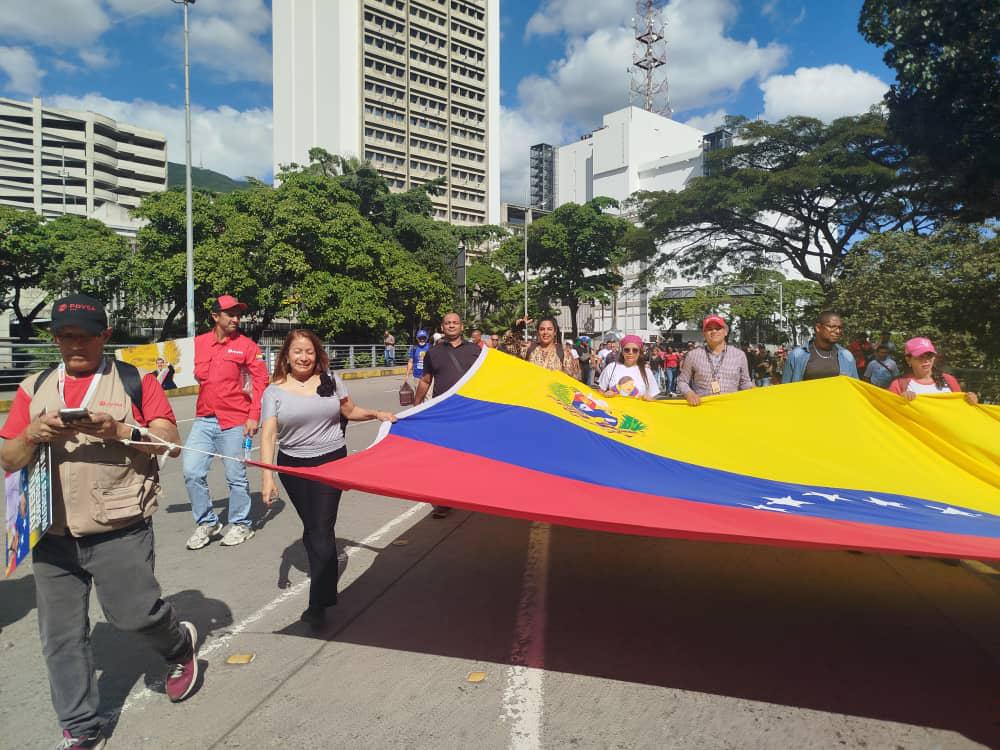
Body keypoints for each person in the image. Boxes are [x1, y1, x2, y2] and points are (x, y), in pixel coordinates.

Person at [0, 294, 199, 748]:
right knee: (61, 638)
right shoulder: (34, 387)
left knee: (135, 616)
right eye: (66, 336)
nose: (75, 345)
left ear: (104, 336)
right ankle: (80, 728)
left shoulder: (134, 381)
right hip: (50, 535)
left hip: (118, 527)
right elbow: (8, 459)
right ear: (54, 339)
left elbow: (169, 442)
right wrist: (31, 434)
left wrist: (118, 431)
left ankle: (178, 646)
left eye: (85, 336)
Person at [260, 330, 396, 628]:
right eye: (297, 351)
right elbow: (269, 434)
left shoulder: (331, 381)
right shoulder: (274, 391)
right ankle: (324, 585)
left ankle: (318, 603)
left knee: (321, 527)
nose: (304, 357)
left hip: (331, 461)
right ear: (286, 355)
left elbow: (349, 410)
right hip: (293, 468)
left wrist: (376, 414)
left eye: (309, 351)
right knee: (312, 527)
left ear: (317, 353)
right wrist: (267, 477)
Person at [183, 295, 269, 551]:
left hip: (235, 420)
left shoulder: (246, 346)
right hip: (204, 419)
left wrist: (254, 415)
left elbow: (261, 382)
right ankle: (208, 522)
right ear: (215, 316)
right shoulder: (197, 344)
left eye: (238, 314)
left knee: (235, 476)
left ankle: (241, 523)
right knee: (191, 471)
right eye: (230, 314)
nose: (235, 319)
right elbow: (165, 368)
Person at [415, 312, 481, 518]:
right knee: (442, 458)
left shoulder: (476, 351)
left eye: (455, 323)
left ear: (462, 327)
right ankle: (444, 500)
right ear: (442, 327)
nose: (451, 326)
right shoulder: (433, 353)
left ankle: (470, 493)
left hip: (469, 413)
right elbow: (425, 380)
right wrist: (417, 405)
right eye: (447, 323)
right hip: (442, 413)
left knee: (469, 456)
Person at [676, 315, 753, 406]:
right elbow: (682, 381)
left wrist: (756, 391)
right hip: (703, 409)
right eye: (709, 329)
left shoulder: (739, 355)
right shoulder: (693, 355)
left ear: (725, 332)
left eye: (718, 328)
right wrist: (689, 393)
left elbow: (745, 383)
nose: (714, 331)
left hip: (731, 408)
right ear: (704, 333)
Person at [888, 337, 979, 404]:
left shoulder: (949, 380)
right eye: (920, 356)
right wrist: (899, 402)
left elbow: (960, 408)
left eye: (929, 356)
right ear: (908, 360)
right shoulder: (898, 385)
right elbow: (889, 413)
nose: (926, 360)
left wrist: (970, 400)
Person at [782, 311, 859, 383]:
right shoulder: (797, 355)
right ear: (818, 328)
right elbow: (785, 389)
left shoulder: (846, 356)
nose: (837, 331)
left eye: (840, 328)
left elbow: (855, 388)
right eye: (832, 327)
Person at [598, 334, 660, 400]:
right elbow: (599, 393)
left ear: (639, 352)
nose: (630, 353)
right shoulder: (611, 367)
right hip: (614, 409)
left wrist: (649, 398)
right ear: (622, 352)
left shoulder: (646, 371)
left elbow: (654, 399)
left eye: (635, 350)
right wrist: (605, 394)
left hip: (637, 410)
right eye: (627, 350)